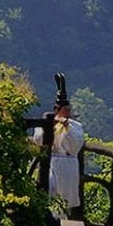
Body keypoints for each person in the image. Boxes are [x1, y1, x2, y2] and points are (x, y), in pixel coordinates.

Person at [34, 73, 85, 218]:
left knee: (65, 195)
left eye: (69, 110)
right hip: (51, 162)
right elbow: (38, 139)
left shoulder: (75, 126)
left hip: (67, 164)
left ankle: (62, 219)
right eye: (65, 110)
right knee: (50, 189)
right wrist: (52, 125)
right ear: (57, 110)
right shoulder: (46, 123)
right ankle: (50, 218)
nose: (68, 113)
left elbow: (75, 146)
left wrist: (67, 128)